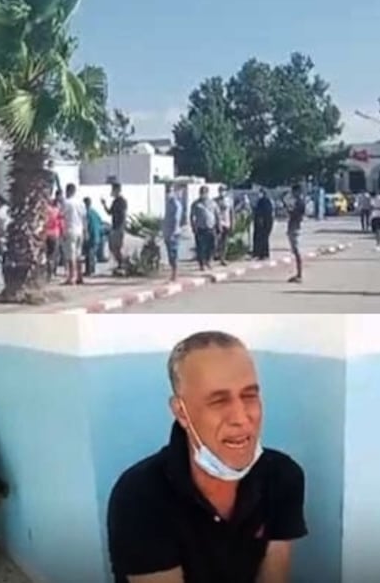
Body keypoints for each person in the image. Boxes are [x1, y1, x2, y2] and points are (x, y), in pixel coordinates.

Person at [107, 331, 306, 583]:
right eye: (219, 401)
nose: (241, 417)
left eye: (249, 395)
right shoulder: (140, 496)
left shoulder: (282, 477)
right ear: (181, 412)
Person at [61, 184, 85, 285]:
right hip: (79, 230)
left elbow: (61, 216)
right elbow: (84, 217)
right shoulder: (81, 203)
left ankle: (72, 277)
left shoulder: (66, 202)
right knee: (78, 255)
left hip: (70, 230)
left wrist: (62, 231)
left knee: (71, 255)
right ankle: (79, 276)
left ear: (67, 191)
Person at [189, 186, 217, 272]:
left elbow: (216, 214)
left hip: (211, 227)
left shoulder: (212, 203)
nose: (203, 194)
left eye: (204, 192)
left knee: (212, 245)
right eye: (201, 192)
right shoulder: (196, 204)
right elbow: (192, 216)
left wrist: (218, 224)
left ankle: (208, 261)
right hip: (200, 228)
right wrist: (193, 226)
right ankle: (201, 264)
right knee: (200, 247)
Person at [282, 184, 305, 283]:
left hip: (295, 227)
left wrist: (288, 209)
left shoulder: (300, 203)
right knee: (295, 251)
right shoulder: (298, 202)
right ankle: (298, 273)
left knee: (296, 251)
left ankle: (299, 275)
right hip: (293, 226)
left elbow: (295, 214)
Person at [162, 182, 185, 282]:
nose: (168, 193)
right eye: (167, 191)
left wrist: (171, 233)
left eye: (170, 191)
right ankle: (173, 273)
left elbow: (176, 219)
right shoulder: (169, 202)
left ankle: (174, 274)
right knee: (170, 254)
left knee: (173, 254)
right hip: (168, 232)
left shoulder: (175, 204)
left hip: (173, 233)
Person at [102, 182, 128, 271]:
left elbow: (123, 215)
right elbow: (110, 212)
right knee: (113, 247)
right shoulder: (115, 201)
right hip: (115, 227)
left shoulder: (121, 201)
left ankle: (122, 263)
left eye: (113, 190)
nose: (112, 192)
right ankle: (120, 263)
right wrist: (104, 204)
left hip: (119, 227)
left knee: (117, 247)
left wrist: (121, 226)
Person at [251, 187, 274, 260]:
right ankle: (259, 253)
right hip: (260, 222)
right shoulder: (261, 201)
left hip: (265, 223)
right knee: (259, 238)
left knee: (263, 238)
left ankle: (263, 254)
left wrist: (262, 220)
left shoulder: (266, 201)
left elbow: (266, 213)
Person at [82, 196, 103, 277]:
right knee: (92, 253)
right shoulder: (94, 212)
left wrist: (85, 234)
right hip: (96, 235)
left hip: (91, 235)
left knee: (89, 253)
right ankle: (91, 269)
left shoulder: (86, 213)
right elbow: (100, 221)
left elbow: (85, 224)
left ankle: (89, 271)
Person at [43, 196, 63, 279]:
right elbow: (61, 223)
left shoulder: (47, 210)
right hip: (55, 234)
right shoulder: (58, 211)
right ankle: (52, 273)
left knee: (47, 255)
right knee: (54, 255)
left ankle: (47, 272)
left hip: (46, 234)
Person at [213, 186, 233, 266]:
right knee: (216, 241)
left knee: (225, 242)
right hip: (218, 223)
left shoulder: (229, 200)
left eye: (224, 190)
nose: (222, 192)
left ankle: (223, 258)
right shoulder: (215, 201)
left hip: (227, 223)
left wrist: (232, 222)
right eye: (221, 190)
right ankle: (214, 256)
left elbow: (231, 212)